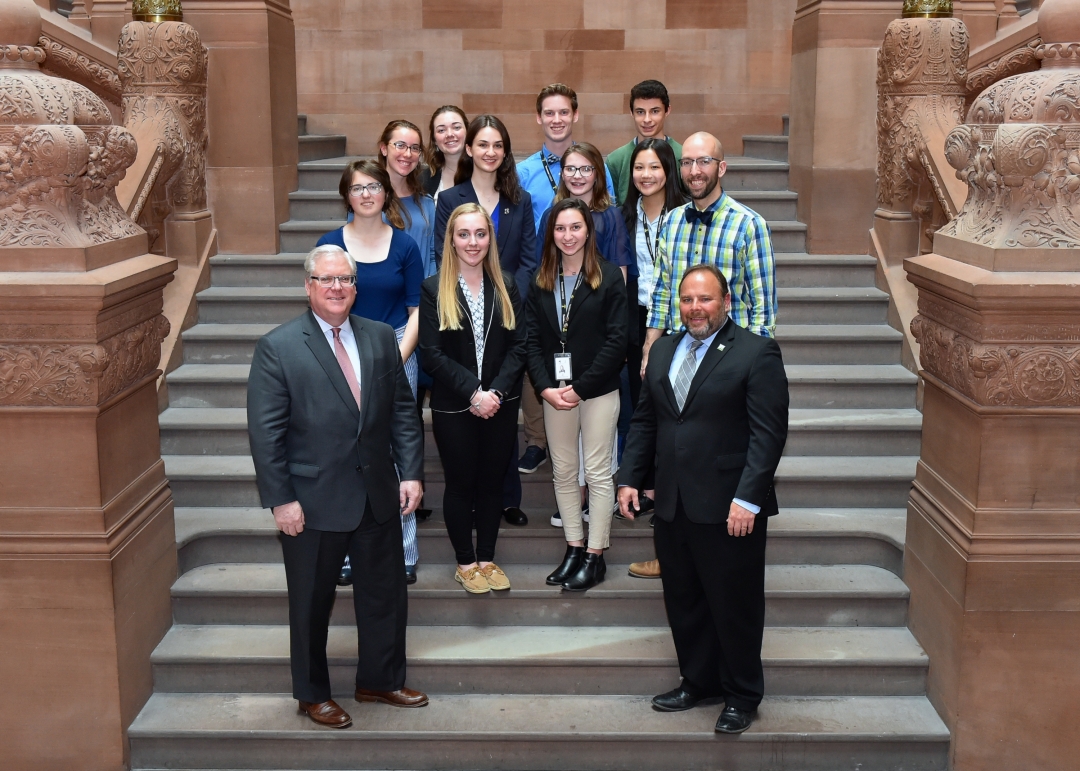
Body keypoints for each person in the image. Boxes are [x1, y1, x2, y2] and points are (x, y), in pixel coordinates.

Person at [247, 244, 428, 730]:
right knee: (310, 603)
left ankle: (380, 680)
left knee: (385, 596)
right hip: (312, 502)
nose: (336, 288)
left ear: (355, 286)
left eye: (345, 280)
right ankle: (311, 694)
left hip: (377, 494)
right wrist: (282, 500)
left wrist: (410, 471)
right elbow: (266, 436)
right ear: (308, 286)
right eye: (326, 280)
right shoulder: (278, 346)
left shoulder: (379, 338)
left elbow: (403, 413)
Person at [618, 264, 789, 735]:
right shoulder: (665, 348)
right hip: (673, 502)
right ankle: (698, 681)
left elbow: (768, 436)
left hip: (730, 508)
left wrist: (748, 500)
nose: (696, 308)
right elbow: (647, 420)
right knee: (685, 600)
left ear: (726, 302)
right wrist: (631, 477)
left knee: (734, 605)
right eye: (688, 300)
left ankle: (741, 695)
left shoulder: (757, 353)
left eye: (705, 299)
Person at [316, 160, 424, 584]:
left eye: (374, 186)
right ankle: (345, 552)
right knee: (345, 448)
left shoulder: (404, 246)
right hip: (342, 346)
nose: (366, 194)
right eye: (358, 188)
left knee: (398, 449)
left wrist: (394, 358)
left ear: (386, 193)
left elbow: (418, 311)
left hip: (397, 347)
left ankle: (404, 550)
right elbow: (322, 302)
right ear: (347, 195)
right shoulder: (329, 244)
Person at [434, 114, 536, 528]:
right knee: (472, 406)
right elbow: (442, 257)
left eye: (498, 145)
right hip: (461, 314)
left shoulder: (520, 199)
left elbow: (529, 260)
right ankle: (470, 499)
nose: (490, 152)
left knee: (503, 401)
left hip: (508, 315)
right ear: (470, 149)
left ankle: (506, 498)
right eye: (483, 144)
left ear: (505, 152)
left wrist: (508, 301)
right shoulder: (449, 199)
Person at [419, 203, 526, 593]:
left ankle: (487, 558)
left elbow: (520, 345)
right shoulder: (434, 289)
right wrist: (474, 392)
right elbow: (432, 353)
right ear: (451, 240)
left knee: (492, 483)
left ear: (490, 238)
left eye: (480, 234)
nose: (472, 242)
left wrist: (494, 391)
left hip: (500, 403)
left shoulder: (507, 285)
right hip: (454, 405)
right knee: (462, 484)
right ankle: (465, 563)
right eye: (463, 234)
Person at [527, 197, 627, 591]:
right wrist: (546, 387)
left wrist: (581, 388)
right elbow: (532, 340)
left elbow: (618, 341)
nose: (568, 236)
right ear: (551, 234)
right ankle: (573, 546)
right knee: (564, 471)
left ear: (588, 230)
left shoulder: (608, 276)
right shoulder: (542, 279)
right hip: (555, 394)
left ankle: (596, 555)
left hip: (597, 391)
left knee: (599, 473)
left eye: (575, 227)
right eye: (560, 228)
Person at [516, 84, 615, 477]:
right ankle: (538, 441)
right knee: (540, 358)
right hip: (545, 281)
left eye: (564, 113)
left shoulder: (597, 164)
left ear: (575, 115)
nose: (557, 120)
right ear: (539, 118)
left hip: (590, 286)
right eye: (549, 113)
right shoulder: (523, 172)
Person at [534, 142, 634, 528]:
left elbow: (618, 287)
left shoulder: (610, 219)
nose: (577, 176)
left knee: (597, 447)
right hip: (561, 353)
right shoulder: (551, 219)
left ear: (598, 173)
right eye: (569, 169)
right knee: (564, 452)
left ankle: (594, 509)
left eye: (585, 168)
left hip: (598, 348)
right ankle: (573, 510)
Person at [644, 132, 777, 375]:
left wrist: (756, 366)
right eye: (687, 162)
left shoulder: (749, 225)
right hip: (678, 352)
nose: (694, 170)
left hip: (729, 356)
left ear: (722, 167)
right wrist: (649, 350)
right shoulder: (672, 222)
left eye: (704, 161)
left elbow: (763, 308)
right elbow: (661, 293)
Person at [614, 138, 688, 541]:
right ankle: (638, 481)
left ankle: (666, 488)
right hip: (632, 318)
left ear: (668, 172)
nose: (646, 175)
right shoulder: (624, 216)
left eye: (654, 168)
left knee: (669, 404)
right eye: (640, 168)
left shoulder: (684, 215)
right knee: (637, 403)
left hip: (673, 322)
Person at [607, 80, 684, 207]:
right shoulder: (616, 160)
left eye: (655, 111)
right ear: (631, 113)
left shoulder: (683, 156)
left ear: (667, 110)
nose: (647, 120)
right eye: (640, 112)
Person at [378, 120, 437, 278]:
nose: (408, 154)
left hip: (420, 297)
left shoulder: (427, 203)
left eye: (415, 148)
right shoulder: (367, 200)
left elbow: (432, 255)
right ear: (384, 148)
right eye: (400, 145)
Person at [420, 105, 467, 200]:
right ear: (434, 140)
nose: (449, 134)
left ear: (468, 132)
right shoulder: (423, 179)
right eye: (441, 130)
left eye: (456, 127)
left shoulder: (482, 173)